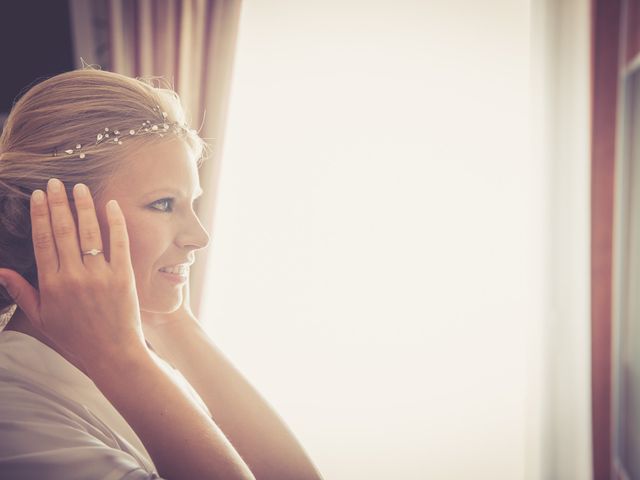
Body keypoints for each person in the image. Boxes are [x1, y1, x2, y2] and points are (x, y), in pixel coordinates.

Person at [0, 68, 323, 480]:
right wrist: (122, 358)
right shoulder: (12, 409)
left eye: (192, 203)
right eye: (164, 204)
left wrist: (172, 322)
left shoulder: (153, 363)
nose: (199, 237)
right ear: (57, 217)